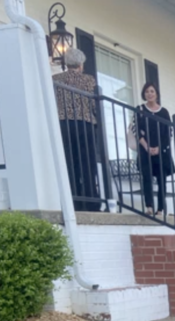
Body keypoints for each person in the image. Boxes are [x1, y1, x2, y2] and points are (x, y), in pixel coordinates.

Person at [53, 47, 99, 211]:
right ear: (80, 64)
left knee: (69, 162)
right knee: (87, 163)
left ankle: (72, 200)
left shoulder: (56, 79)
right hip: (84, 124)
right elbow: (94, 104)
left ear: (66, 63)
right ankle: (91, 201)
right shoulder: (89, 80)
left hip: (64, 124)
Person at [135, 83, 173, 217]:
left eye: (152, 91)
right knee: (147, 178)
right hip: (145, 150)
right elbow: (137, 131)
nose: (149, 94)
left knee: (161, 179)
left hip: (161, 151)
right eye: (146, 92)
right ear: (144, 94)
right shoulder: (139, 109)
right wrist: (146, 147)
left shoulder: (164, 112)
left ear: (156, 94)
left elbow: (169, 133)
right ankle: (149, 206)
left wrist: (159, 148)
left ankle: (160, 209)